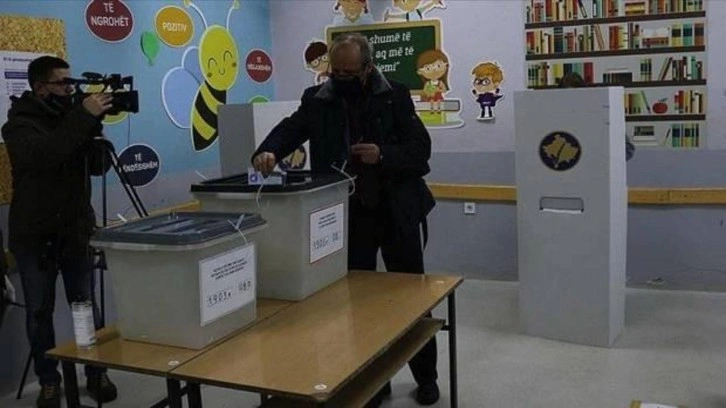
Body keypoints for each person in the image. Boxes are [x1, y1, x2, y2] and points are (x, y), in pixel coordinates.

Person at [252, 33, 439, 406]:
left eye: (348, 72)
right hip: (350, 218)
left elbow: (421, 151)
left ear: (368, 68)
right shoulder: (318, 99)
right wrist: (269, 150)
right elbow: (291, 128)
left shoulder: (395, 95)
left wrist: (382, 154)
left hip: (396, 212)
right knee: (359, 307)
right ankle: (375, 378)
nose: (339, 77)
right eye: (334, 71)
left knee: (410, 300)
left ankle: (426, 377)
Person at [1, 56, 118, 408]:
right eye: (62, 83)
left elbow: (97, 167)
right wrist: (82, 117)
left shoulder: (73, 119)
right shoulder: (18, 124)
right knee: (39, 312)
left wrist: (94, 128)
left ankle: (95, 371)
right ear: (40, 88)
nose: (70, 89)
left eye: (71, 82)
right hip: (34, 236)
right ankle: (49, 380)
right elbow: (46, 154)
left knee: (84, 306)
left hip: (74, 229)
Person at [557, 72, 635, 161]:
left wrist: (605, 156)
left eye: (575, 97)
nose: (572, 102)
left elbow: (628, 150)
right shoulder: (554, 120)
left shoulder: (602, 116)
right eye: (567, 97)